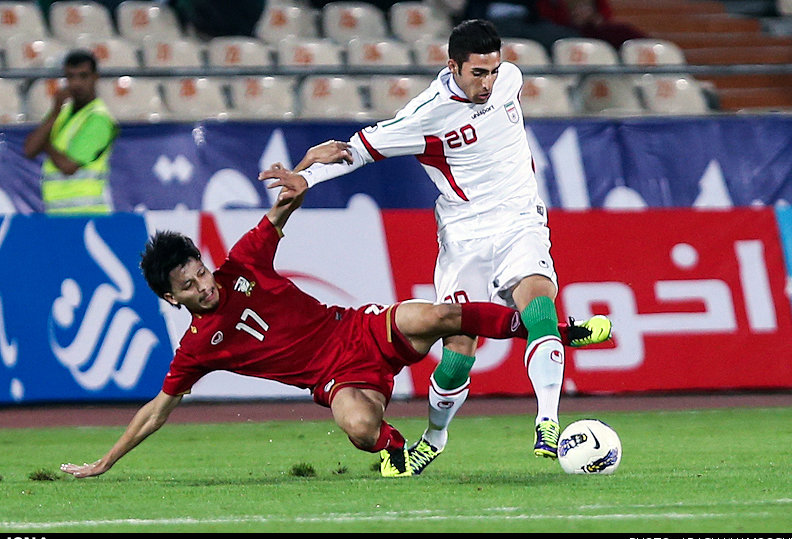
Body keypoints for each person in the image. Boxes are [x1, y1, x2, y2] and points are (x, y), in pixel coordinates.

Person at [266, 19, 612, 476]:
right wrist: (306, 176)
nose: (488, 82)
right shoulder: (426, 114)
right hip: (464, 236)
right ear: (453, 67)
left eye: (493, 70)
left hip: (520, 220)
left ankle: (547, 421)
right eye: (477, 74)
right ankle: (434, 438)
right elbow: (358, 151)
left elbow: (501, 87)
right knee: (458, 352)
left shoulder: (510, 80)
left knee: (539, 302)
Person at [59, 165, 533, 479]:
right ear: (171, 297)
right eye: (188, 285)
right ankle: (395, 451)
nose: (203, 285)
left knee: (441, 314)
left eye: (200, 271)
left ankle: (546, 327)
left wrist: (303, 181)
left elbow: (280, 210)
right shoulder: (196, 348)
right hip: (336, 378)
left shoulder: (243, 263)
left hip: (359, 328)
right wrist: (106, 461)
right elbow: (158, 409)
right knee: (360, 427)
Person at [23, 50, 118, 215]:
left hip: (88, 214)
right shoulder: (63, 112)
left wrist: (46, 141)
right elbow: (29, 150)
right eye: (70, 77)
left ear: (95, 77)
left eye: (83, 76)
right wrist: (54, 111)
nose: (76, 83)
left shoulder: (99, 119)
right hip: (58, 214)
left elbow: (68, 166)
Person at [536, 0, 648, 49]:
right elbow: (545, 18)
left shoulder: (613, 31)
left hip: (595, 30)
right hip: (565, 34)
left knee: (622, 32)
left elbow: (604, 13)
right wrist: (571, 19)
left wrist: (596, 18)